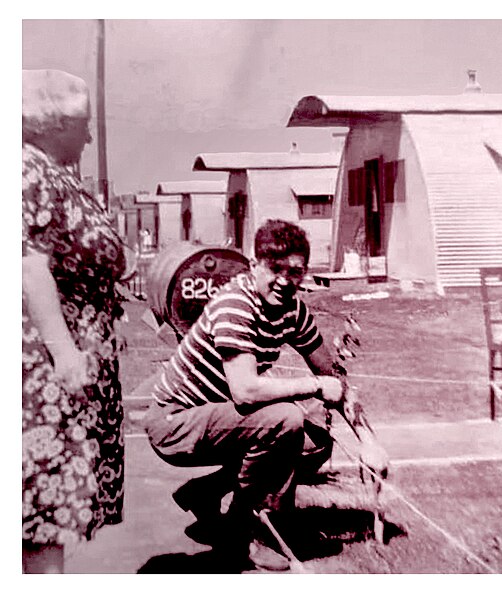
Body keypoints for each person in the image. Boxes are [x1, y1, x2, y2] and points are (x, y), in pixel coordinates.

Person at [143, 219, 383, 571]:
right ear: (255, 265)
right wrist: (315, 387)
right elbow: (246, 391)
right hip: (175, 423)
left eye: (295, 272)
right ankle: (247, 533)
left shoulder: (293, 311)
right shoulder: (235, 305)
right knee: (285, 418)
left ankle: (205, 492)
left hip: (218, 418)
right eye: (275, 269)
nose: (285, 281)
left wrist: (368, 440)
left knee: (315, 440)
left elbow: (332, 375)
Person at [22, 69, 126, 573]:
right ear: (45, 123)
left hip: (75, 357)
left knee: (54, 509)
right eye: (80, 124)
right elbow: (26, 261)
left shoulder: (52, 170)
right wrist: (64, 351)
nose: (88, 135)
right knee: (43, 508)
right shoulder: (26, 168)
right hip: (46, 369)